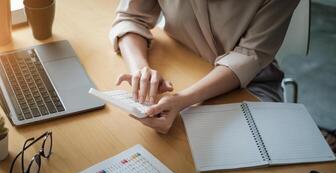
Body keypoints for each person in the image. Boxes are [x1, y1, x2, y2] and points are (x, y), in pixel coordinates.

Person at [109, 0, 300, 133]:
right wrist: (141, 71)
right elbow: (130, 17)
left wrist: (183, 99)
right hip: (182, 60)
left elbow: (249, 56)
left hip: (248, 82)